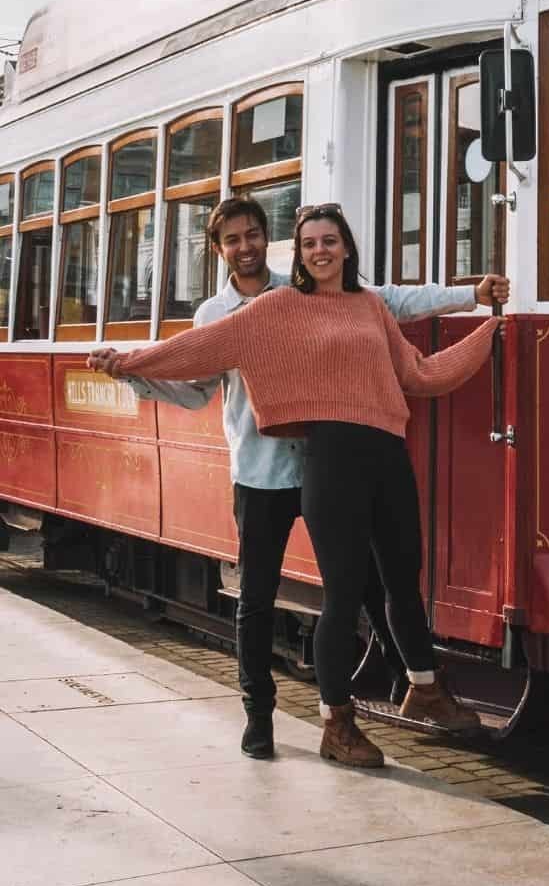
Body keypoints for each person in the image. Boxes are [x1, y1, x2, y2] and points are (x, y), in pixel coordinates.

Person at [88, 196, 508, 760]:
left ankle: (421, 688)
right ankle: (282, 720)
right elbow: (194, 354)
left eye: (328, 242)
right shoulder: (268, 307)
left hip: (373, 459)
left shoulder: (362, 304)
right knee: (277, 598)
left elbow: (417, 365)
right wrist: (132, 365)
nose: (318, 251)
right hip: (278, 470)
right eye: (309, 243)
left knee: (392, 582)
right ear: (220, 250)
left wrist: (485, 323)